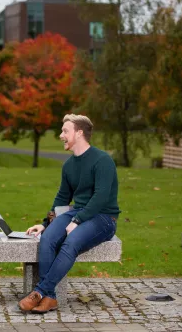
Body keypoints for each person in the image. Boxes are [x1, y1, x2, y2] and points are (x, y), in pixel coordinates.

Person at [19, 114, 120, 314]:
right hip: (78, 212)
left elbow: (101, 197)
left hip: (103, 217)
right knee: (47, 238)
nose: (61, 135)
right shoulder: (69, 165)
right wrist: (45, 223)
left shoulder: (103, 161)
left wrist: (77, 220)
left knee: (70, 242)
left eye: (65, 131)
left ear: (79, 133)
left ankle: (40, 292)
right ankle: (50, 299)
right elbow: (62, 199)